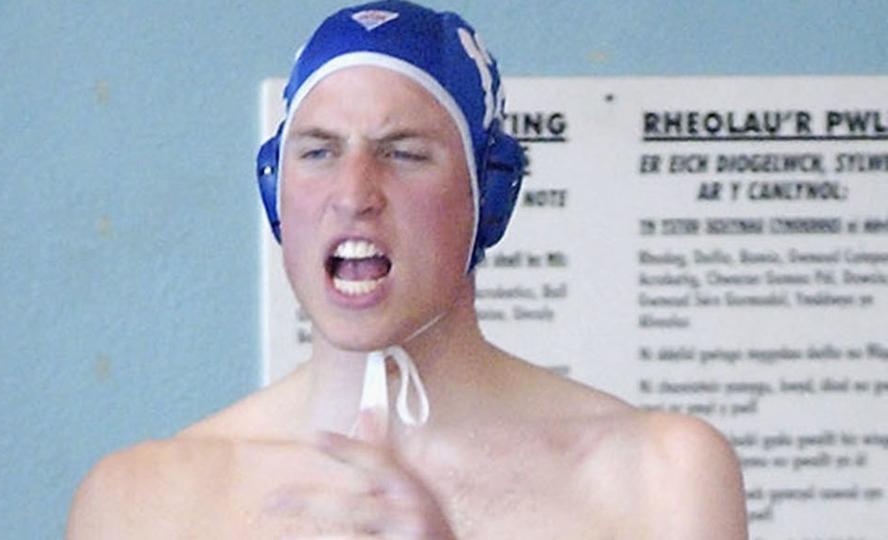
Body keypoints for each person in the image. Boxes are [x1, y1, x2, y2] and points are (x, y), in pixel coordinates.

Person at [67, 1, 748, 538]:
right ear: (274, 190)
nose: (354, 193)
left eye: (404, 152)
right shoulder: (140, 501)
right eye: (319, 152)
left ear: (490, 195)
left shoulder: (661, 477)